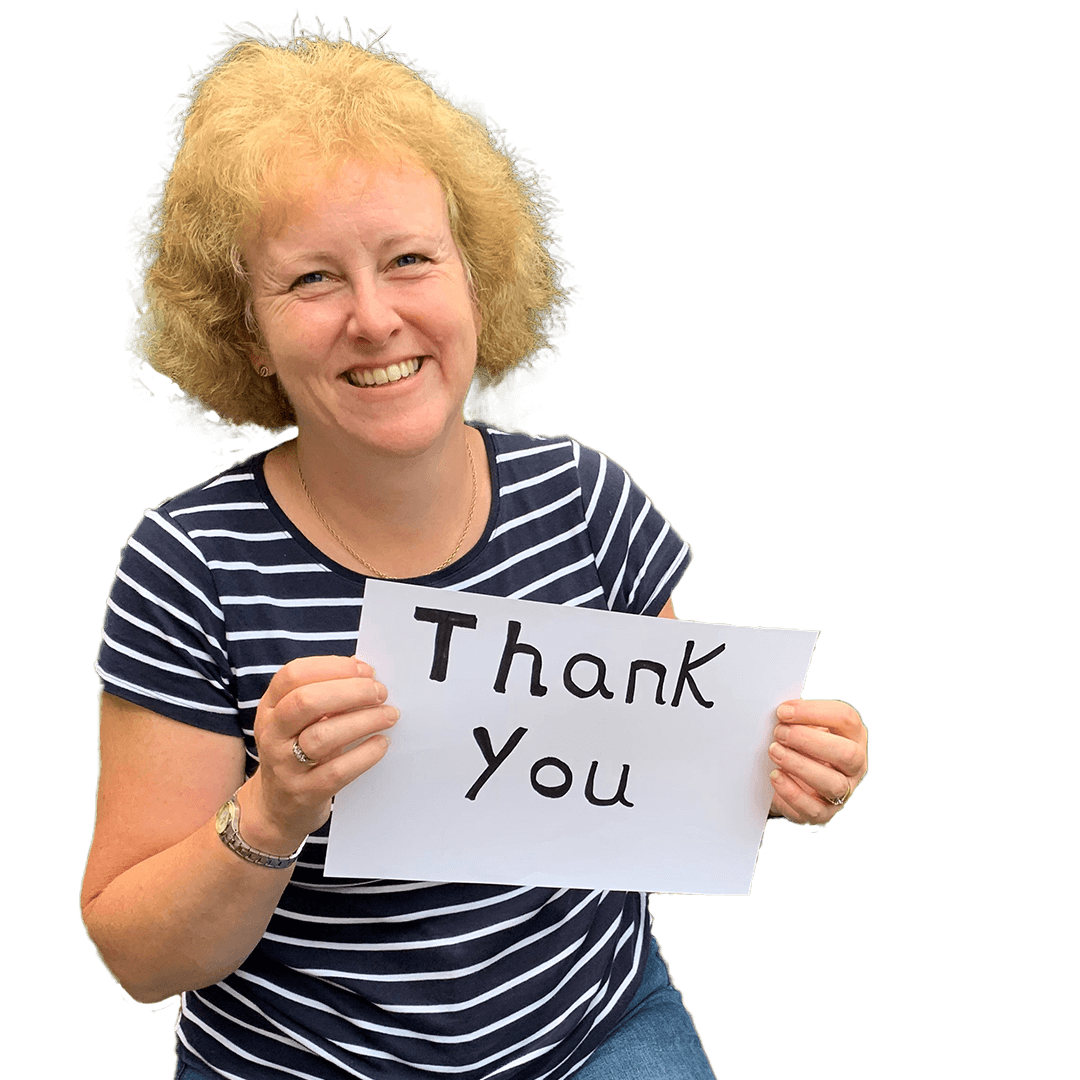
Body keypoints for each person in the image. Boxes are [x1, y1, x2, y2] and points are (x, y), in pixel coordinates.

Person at [83, 25, 869, 1080]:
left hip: (598, 1029)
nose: (375, 317)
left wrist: (785, 767)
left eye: (410, 259)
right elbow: (137, 959)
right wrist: (272, 807)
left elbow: (680, 778)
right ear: (246, 333)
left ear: (475, 280)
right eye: (312, 279)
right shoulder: (190, 562)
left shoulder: (585, 500)